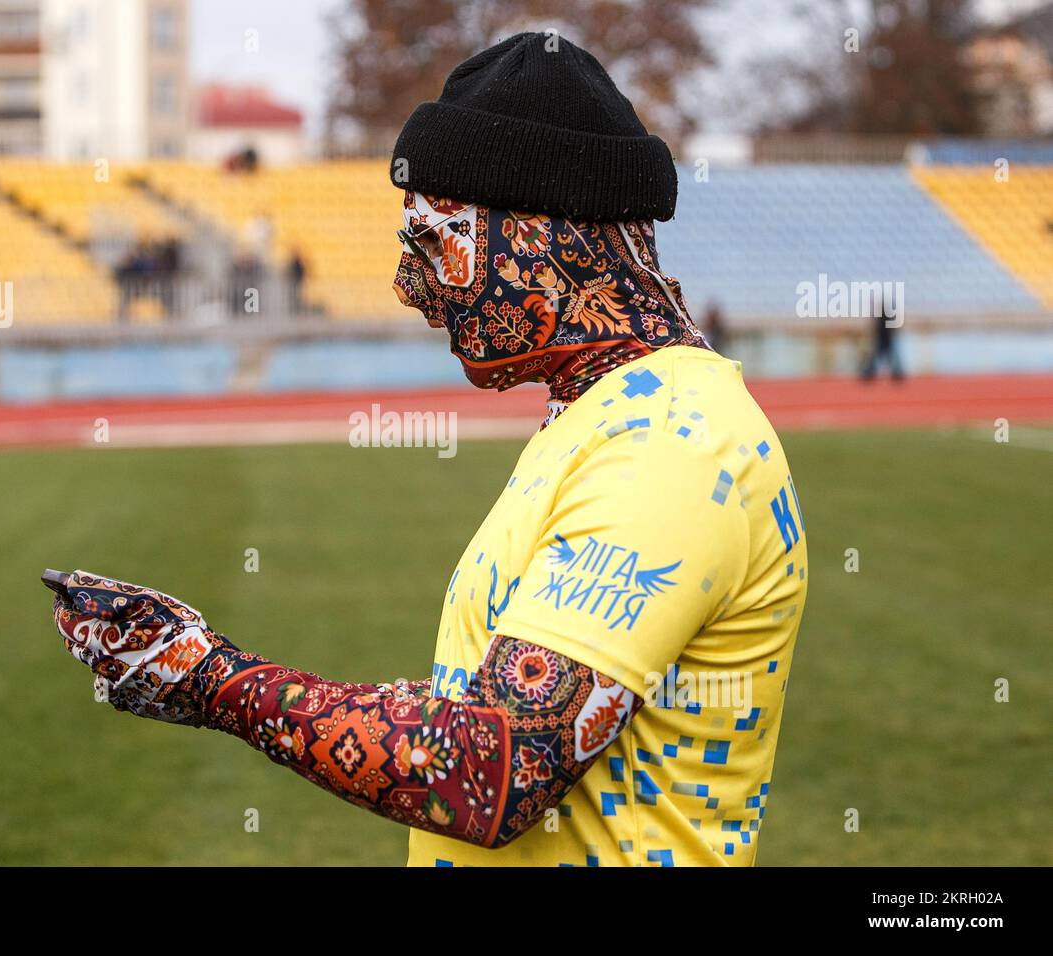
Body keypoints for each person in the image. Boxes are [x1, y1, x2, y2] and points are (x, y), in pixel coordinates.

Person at [46, 33, 808, 867]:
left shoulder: (671, 443)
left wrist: (213, 680)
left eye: (432, 244)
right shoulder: (611, 413)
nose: (408, 289)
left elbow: (494, 763)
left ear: (543, 236)